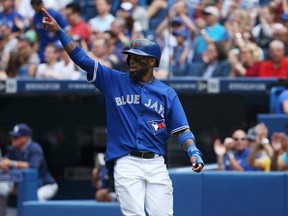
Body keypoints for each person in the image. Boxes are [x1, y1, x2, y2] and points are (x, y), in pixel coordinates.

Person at [42, 8, 204, 215]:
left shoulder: (167, 93)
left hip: (156, 163)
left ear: (153, 62)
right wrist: (60, 31)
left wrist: (193, 152)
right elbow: (82, 59)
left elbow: (182, 130)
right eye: (130, 56)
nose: (132, 61)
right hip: (126, 161)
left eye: (138, 57)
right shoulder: (114, 80)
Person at [0, 123, 58, 216]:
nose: (13, 139)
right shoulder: (13, 150)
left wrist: (12, 163)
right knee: (9, 203)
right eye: (12, 137)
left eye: (16, 137)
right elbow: (7, 163)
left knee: (35, 198)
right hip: (22, 187)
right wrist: (5, 165)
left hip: (45, 185)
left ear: (25, 138)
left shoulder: (35, 148)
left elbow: (33, 167)